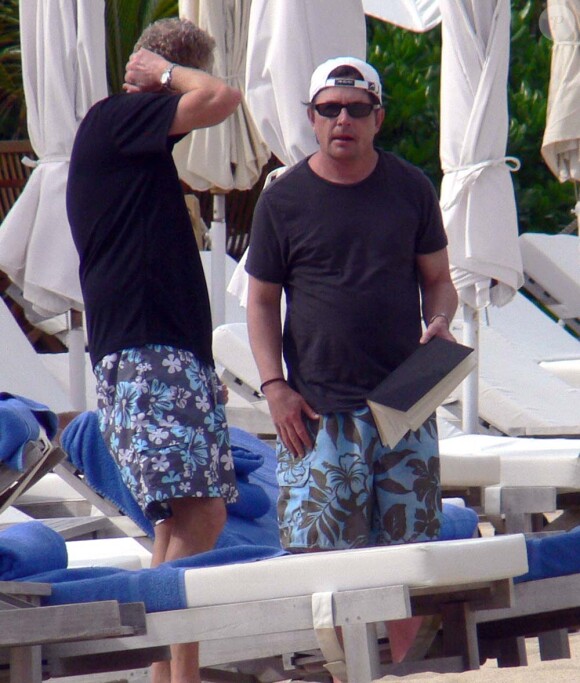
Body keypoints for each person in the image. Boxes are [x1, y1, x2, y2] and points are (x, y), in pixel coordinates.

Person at [245, 56, 458, 663]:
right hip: (317, 411)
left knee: (409, 560)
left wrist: (439, 319)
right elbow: (261, 300)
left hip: (405, 404)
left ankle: (399, 675)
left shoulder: (411, 187)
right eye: (329, 109)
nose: (343, 119)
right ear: (311, 118)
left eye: (356, 109)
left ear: (377, 118)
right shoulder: (283, 201)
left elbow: (439, 280)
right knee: (324, 569)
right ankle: (345, 675)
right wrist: (273, 386)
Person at [66, 18, 241, 683]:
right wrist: (164, 75)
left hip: (158, 352)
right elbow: (222, 96)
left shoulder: (130, 144)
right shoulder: (123, 118)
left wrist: (200, 363)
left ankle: (171, 677)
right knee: (202, 512)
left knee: (177, 519)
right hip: (145, 351)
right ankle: (181, 678)